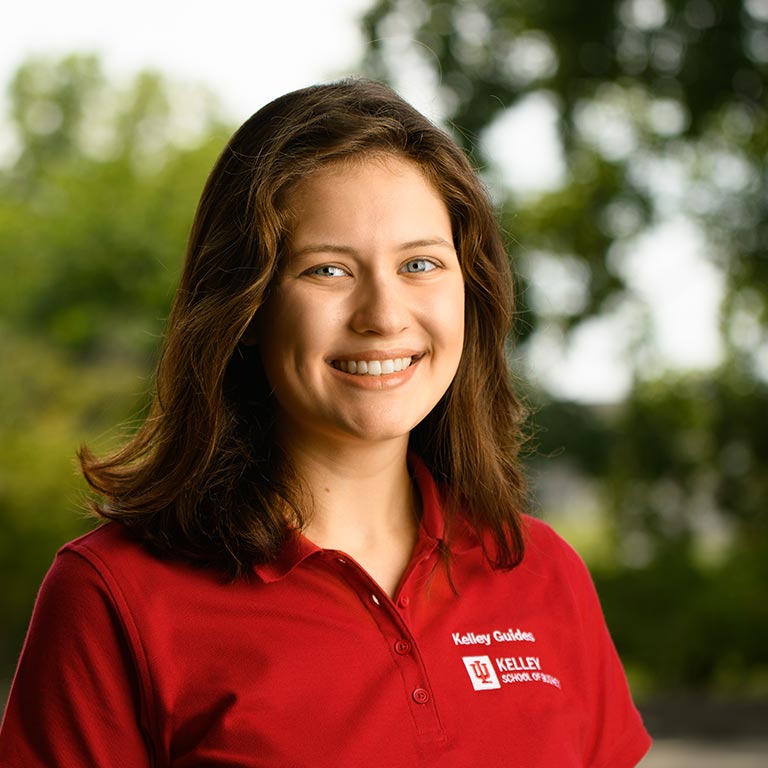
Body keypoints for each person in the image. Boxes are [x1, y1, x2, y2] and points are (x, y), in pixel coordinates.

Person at [0, 78, 651, 766]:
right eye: (328, 270)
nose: (383, 315)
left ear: (471, 289)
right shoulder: (113, 596)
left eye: (420, 264)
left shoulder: (543, 573)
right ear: (245, 308)